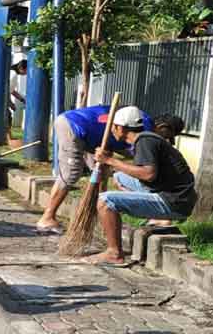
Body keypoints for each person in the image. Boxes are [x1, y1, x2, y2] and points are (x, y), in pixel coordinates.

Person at [85, 106, 197, 266]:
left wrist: (111, 161)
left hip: (174, 202)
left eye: (112, 127)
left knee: (105, 201)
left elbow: (148, 174)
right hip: (172, 193)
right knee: (120, 177)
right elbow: (148, 174)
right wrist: (109, 164)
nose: (110, 131)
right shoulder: (145, 139)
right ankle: (155, 217)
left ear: (120, 128)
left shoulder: (145, 141)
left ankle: (114, 253)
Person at [36, 105, 154, 233]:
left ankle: (98, 211)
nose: (168, 141)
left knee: (101, 171)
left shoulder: (140, 124)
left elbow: (127, 151)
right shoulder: (146, 127)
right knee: (71, 172)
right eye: (169, 136)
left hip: (94, 136)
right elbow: (138, 159)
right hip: (74, 126)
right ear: (163, 128)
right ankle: (47, 218)